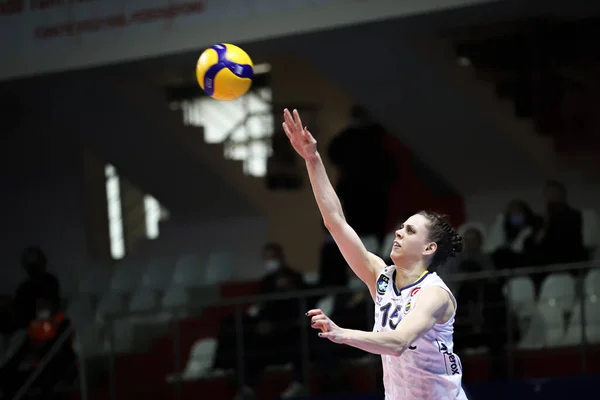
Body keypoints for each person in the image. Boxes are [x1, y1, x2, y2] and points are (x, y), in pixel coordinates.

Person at [282, 108, 468, 399]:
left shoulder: (434, 294)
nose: (398, 233)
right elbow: (336, 222)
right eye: (400, 227)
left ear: (429, 248)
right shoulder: (381, 278)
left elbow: (398, 342)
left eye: (410, 231)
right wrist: (312, 159)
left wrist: (341, 333)